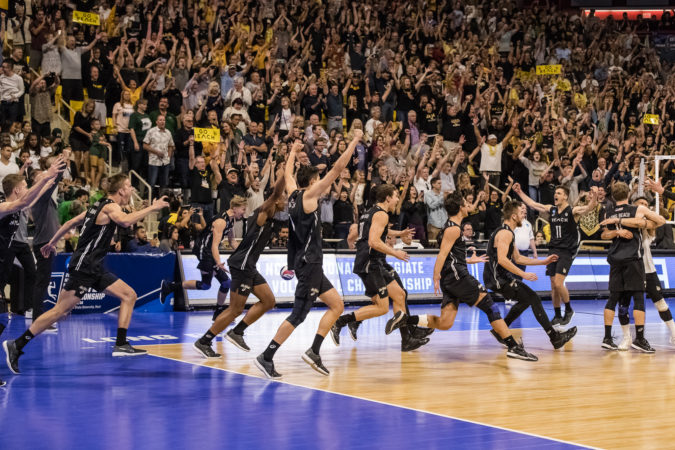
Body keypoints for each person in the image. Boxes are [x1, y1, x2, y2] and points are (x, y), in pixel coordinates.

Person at [3, 174, 169, 375]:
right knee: (59, 312)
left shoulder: (97, 205)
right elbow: (125, 222)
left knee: (129, 295)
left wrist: (52, 242)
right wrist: (152, 208)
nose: (132, 189)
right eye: (128, 185)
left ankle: (121, 344)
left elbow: (70, 223)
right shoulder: (111, 207)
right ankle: (17, 344)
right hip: (85, 266)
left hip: (94, 267)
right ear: (121, 190)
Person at [255, 133, 361, 380]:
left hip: (309, 264)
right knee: (298, 314)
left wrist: (293, 151)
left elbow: (288, 175)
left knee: (337, 305)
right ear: (313, 181)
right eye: (318, 179)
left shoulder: (293, 194)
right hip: (309, 263)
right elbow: (337, 169)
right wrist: (355, 141)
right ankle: (266, 356)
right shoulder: (310, 196)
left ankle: (314, 351)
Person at [180, 174, 287, 358]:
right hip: (242, 265)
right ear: (275, 201)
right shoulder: (264, 211)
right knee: (235, 309)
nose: (285, 200)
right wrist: (285, 173)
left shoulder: (268, 216)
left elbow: (234, 242)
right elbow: (275, 193)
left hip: (248, 265)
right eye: (283, 197)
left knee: (269, 301)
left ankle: (237, 332)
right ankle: (204, 341)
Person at [427, 192, 538, 361]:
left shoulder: (451, 227)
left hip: (453, 276)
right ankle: (513, 347)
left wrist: (467, 260)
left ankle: (408, 320)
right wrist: (436, 276)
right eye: (465, 203)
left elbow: (449, 256)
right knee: (490, 306)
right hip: (457, 277)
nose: (468, 206)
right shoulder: (453, 229)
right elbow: (442, 255)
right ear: (460, 208)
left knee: (445, 322)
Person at [330, 184, 429, 352]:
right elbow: (373, 241)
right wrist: (395, 253)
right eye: (396, 196)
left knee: (400, 294)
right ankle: (341, 322)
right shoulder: (382, 214)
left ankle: (406, 340)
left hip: (371, 261)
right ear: (388, 198)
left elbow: (377, 232)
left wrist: (399, 233)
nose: (397, 199)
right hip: (369, 263)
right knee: (382, 307)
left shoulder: (371, 212)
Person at [483, 200, 577, 349]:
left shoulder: (508, 232)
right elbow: (502, 259)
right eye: (521, 213)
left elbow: (518, 258)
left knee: (527, 299)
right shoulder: (505, 233)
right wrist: (523, 274)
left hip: (500, 277)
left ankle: (500, 331)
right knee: (533, 298)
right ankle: (555, 338)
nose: (524, 215)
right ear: (514, 216)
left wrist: (543, 262)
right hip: (497, 278)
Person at [513, 183, 597, 329]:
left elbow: (589, 208)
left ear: (565, 196)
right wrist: (520, 192)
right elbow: (533, 204)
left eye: (559, 193)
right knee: (553, 285)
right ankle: (557, 315)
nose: (555, 195)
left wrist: (594, 196)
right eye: (555, 193)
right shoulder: (551, 209)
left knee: (558, 283)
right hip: (553, 249)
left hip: (566, 251)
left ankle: (569, 310)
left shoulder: (572, 211)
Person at [599, 183, 665, 352]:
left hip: (615, 259)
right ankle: (640, 339)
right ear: (628, 194)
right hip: (632, 259)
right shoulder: (638, 209)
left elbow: (604, 235)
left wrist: (617, 225)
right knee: (638, 298)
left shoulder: (608, 212)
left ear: (612, 196)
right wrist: (636, 225)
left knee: (613, 298)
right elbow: (661, 221)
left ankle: (607, 338)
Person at [167, 196, 247, 321]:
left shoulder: (231, 220)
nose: (244, 213)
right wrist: (218, 262)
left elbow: (232, 242)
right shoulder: (221, 222)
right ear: (235, 208)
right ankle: (218, 312)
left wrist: (245, 254)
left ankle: (170, 287)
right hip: (203, 251)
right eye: (243, 209)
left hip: (209, 252)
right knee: (222, 283)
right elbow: (214, 245)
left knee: (210, 284)